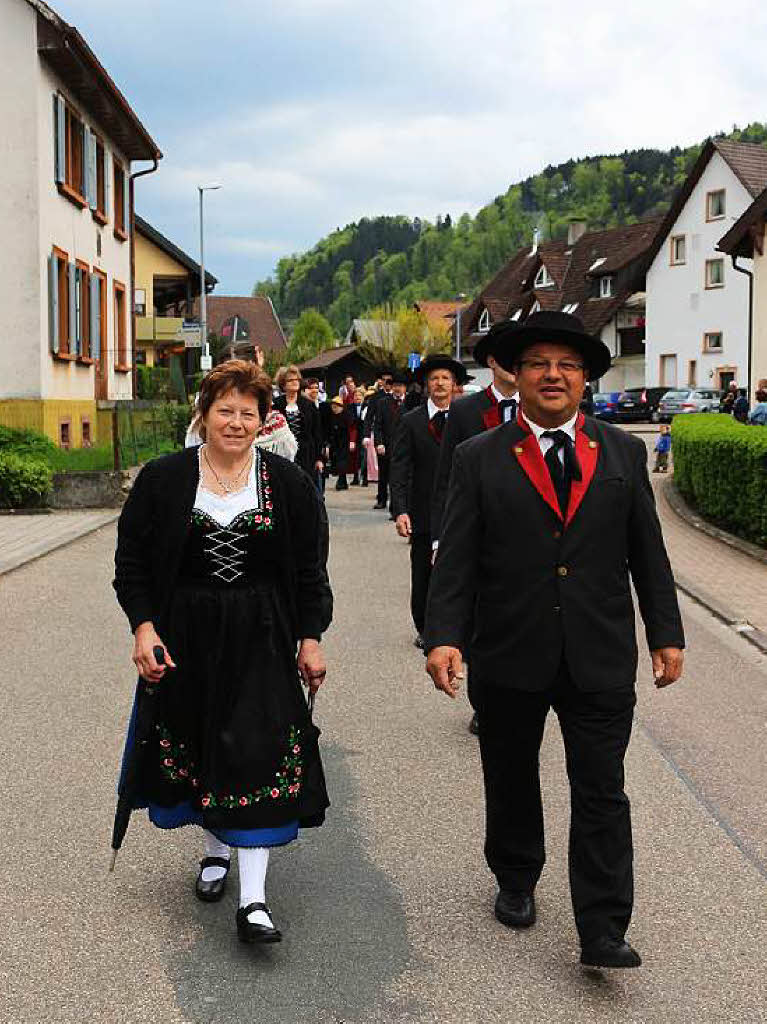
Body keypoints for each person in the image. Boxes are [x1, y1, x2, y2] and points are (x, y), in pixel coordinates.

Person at [424, 311, 684, 969]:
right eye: (538, 363)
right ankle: (515, 876)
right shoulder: (478, 458)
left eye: (566, 365)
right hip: (508, 649)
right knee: (510, 776)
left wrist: (665, 632)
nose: (552, 375)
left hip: (597, 653)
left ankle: (601, 927)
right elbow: (455, 557)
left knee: (601, 789)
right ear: (516, 376)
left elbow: (646, 552)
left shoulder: (621, 453)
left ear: (583, 380)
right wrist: (443, 636)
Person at [113, 360, 332, 944]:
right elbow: (131, 566)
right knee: (200, 740)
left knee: (256, 751)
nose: (236, 423)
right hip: (186, 635)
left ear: (264, 422)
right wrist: (143, 627)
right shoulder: (164, 479)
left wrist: (311, 637)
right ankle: (214, 851)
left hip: (263, 634)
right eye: (225, 411)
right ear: (204, 414)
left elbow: (311, 570)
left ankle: (253, 900)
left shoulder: (288, 485)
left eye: (248, 414)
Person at [430, 323, 519, 735]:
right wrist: (439, 537)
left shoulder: (542, 405)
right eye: (509, 357)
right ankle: (486, 703)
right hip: (479, 536)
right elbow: (447, 477)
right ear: (491, 363)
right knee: (485, 624)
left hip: (528, 538)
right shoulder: (466, 411)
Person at [390, 354, 468, 649]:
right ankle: (425, 627)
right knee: (423, 573)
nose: (439, 383)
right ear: (426, 384)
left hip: (460, 507)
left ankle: (458, 626)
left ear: (454, 384)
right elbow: (399, 468)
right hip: (423, 509)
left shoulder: (466, 418)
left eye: (445, 378)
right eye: (434, 378)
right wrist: (401, 510)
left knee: (458, 570)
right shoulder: (411, 421)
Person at [273, 365, 323, 481]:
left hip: (306, 454)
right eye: (290, 380)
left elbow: (317, 432)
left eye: (297, 380)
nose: (295, 382)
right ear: (283, 384)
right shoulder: (276, 405)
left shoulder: (308, 405)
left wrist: (319, 458)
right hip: (283, 454)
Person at [372, 372, 407, 511]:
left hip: (403, 446)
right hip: (386, 445)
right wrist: (379, 443)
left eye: (401, 386)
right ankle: (381, 499)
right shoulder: (383, 403)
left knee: (398, 477)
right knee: (384, 475)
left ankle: (396, 506)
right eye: (396, 386)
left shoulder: (410, 404)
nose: (398, 389)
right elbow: (378, 425)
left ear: (405, 388)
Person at [328, 396, 351, 490]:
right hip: (335, 442)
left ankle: (340, 482)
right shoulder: (332, 416)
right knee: (338, 461)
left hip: (345, 441)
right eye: (333, 407)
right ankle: (343, 482)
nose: (334, 409)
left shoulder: (346, 415)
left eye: (336, 407)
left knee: (342, 462)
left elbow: (351, 429)